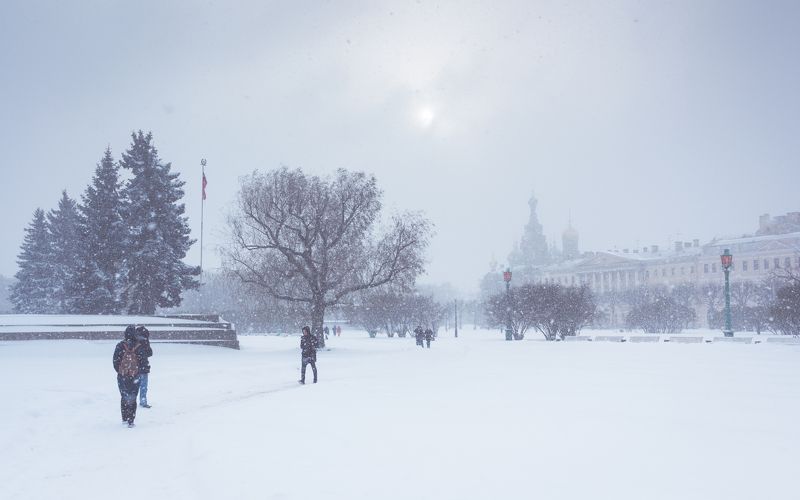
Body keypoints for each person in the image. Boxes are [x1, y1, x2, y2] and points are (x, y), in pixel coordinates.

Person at [113, 325, 144, 427]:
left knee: (124, 396)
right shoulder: (139, 346)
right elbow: (143, 362)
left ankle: (124, 418)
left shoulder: (120, 345)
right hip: (135, 376)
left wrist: (121, 371)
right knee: (133, 397)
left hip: (122, 376)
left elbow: (115, 361)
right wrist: (137, 371)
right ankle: (131, 420)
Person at [135, 326, 153, 408]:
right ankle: (143, 401)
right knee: (143, 386)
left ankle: (131, 401)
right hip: (143, 367)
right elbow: (150, 353)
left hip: (134, 367)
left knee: (134, 386)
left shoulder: (134, 341)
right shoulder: (145, 342)